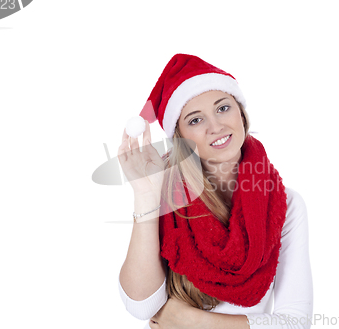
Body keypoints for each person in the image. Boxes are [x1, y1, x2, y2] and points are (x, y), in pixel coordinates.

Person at [117, 53, 313, 329]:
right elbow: (142, 305)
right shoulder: (166, 196)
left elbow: (296, 322)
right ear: (180, 138)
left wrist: (191, 321)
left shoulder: (286, 204)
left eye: (223, 108)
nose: (216, 126)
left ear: (241, 113)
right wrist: (146, 196)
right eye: (195, 120)